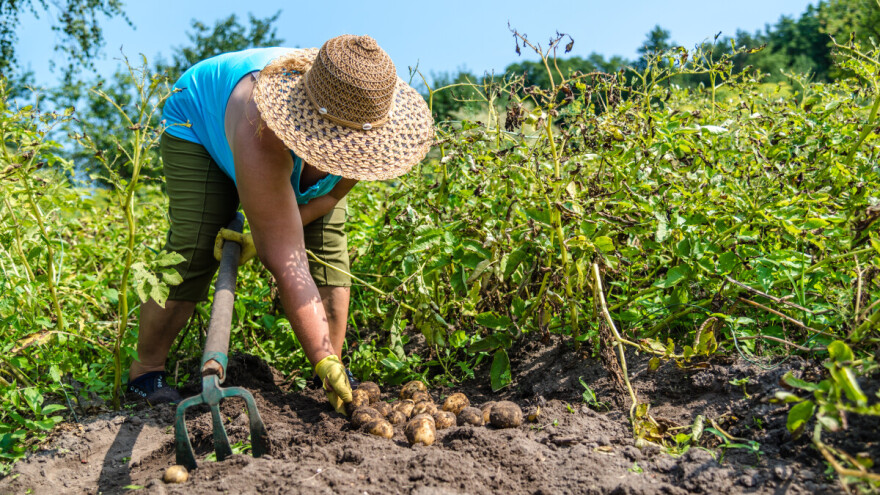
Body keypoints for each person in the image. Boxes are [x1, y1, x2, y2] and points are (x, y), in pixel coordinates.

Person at [125, 35, 434, 413]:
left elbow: (330, 197)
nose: (345, 153)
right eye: (336, 142)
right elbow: (288, 263)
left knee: (328, 252)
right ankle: (145, 373)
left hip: (277, 141)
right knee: (195, 245)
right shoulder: (262, 125)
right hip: (201, 122)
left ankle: (329, 374)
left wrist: (325, 360)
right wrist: (273, 237)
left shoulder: (371, 135)